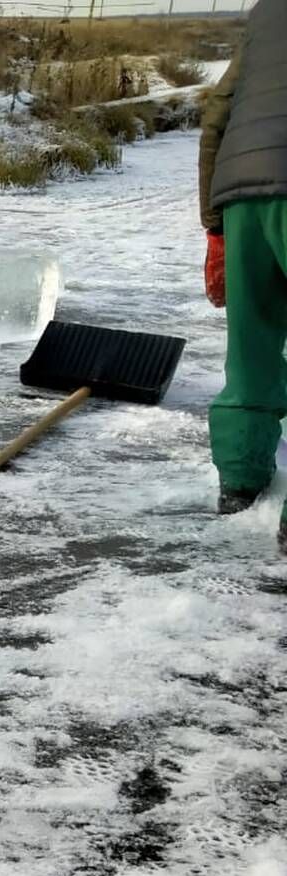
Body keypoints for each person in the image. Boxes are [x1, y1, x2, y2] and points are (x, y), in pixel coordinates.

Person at [199, 0, 287, 550]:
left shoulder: (267, 14)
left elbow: (217, 112)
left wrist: (216, 227)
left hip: (245, 191)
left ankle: (240, 479)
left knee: (251, 343)